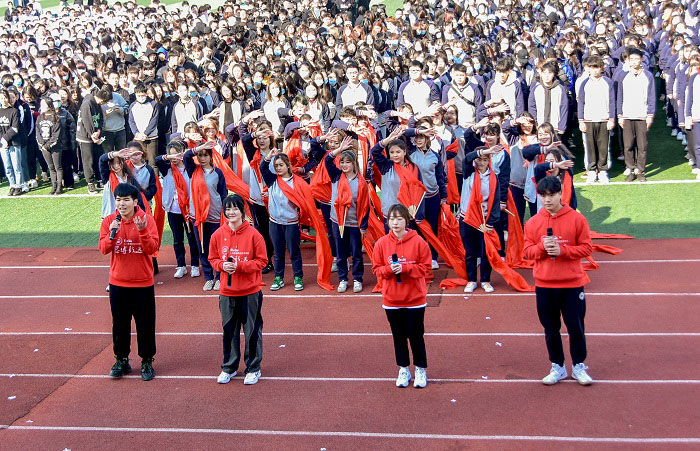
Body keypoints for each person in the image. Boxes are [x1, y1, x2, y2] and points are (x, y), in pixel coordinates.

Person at [523, 175, 594, 386]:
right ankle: (557, 366)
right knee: (550, 328)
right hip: (545, 285)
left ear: (560, 194)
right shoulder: (533, 222)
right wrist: (541, 248)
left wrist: (564, 251)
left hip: (572, 284)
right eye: (543, 196)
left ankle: (579, 365)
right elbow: (527, 252)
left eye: (552, 195)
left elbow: (587, 248)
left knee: (576, 326)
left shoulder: (577, 219)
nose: (547, 200)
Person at [98, 182, 160, 381]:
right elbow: (103, 249)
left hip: (142, 283)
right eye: (118, 200)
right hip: (118, 284)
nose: (121, 204)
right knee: (120, 325)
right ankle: (121, 359)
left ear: (135, 201)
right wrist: (112, 235)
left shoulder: (146, 220)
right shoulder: (110, 221)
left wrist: (142, 231)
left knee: (145, 325)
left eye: (126, 200)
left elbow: (153, 249)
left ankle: (147, 360)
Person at [209, 194, 268, 386]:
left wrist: (240, 266)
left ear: (242, 211)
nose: (231, 212)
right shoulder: (218, 235)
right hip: (227, 293)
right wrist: (221, 266)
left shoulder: (254, 235)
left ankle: (253, 368)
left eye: (235, 209)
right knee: (229, 332)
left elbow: (262, 261)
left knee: (252, 331)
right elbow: (212, 259)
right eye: (228, 209)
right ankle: (229, 367)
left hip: (250, 292)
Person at [371, 203, 431, 388]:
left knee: (416, 335)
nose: (395, 223)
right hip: (392, 300)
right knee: (398, 336)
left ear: (407, 220)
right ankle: (403, 368)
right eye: (391, 219)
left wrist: (406, 268)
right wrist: (389, 270)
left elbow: (426, 268)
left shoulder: (419, 242)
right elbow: (376, 269)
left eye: (399, 219)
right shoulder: (381, 244)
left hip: (415, 300)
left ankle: (420, 369)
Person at [325, 142, 369, 293]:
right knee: (341, 253)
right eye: (342, 162)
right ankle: (343, 279)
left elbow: (365, 205)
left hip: (354, 223)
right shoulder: (336, 176)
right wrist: (340, 149)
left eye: (347, 162)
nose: (344, 165)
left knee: (356, 253)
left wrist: (363, 226)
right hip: (338, 222)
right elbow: (327, 160)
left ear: (354, 163)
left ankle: (357, 279)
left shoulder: (361, 182)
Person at [156, 140, 200, 279]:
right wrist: (169, 158)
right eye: (171, 155)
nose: (174, 158)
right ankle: (181, 265)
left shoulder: (190, 167)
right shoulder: (167, 168)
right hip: (173, 209)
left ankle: (195, 265)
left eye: (177, 154)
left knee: (192, 238)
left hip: (189, 209)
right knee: (177, 239)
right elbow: (157, 160)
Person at [617, 48, 656, 182]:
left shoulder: (648, 76)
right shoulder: (623, 76)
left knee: (642, 145)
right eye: (631, 59)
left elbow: (651, 96)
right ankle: (630, 169)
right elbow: (619, 97)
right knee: (628, 145)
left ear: (641, 60)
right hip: (627, 115)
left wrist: (650, 114)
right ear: (628, 60)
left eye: (637, 59)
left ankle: (640, 170)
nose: (634, 61)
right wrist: (620, 115)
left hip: (642, 115)